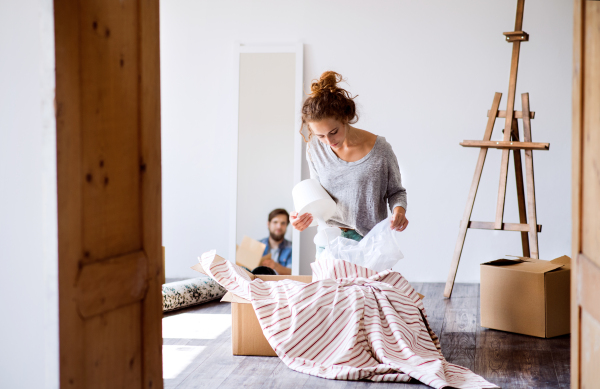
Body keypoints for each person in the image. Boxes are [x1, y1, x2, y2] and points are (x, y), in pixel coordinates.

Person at [291, 71, 408, 249]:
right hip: (329, 241)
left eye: (333, 132)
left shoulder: (380, 150)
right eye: (320, 136)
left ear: (345, 117)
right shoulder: (315, 149)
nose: (329, 142)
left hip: (370, 243)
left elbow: (396, 192)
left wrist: (399, 211)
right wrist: (302, 215)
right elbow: (318, 194)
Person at [259, 208, 292, 275]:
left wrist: (275, 266)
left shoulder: (292, 248)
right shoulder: (257, 245)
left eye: (283, 223)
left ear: (286, 226)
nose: (279, 226)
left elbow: (295, 272)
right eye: (275, 222)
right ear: (268, 224)